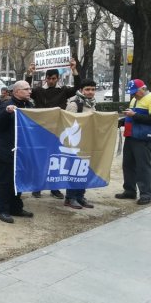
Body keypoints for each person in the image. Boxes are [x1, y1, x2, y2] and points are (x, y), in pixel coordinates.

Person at [26, 58, 81, 199]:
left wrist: (74, 70)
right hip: (41, 130)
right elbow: (27, 90)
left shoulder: (63, 91)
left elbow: (77, 87)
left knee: (56, 159)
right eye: (49, 78)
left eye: (54, 78)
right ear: (45, 78)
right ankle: (37, 186)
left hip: (58, 131)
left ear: (57, 78)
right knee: (41, 159)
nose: (51, 81)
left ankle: (54, 188)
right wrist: (30, 73)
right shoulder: (38, 91)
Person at [0, 80, 35, 224]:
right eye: (26, 89)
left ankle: (16, 208)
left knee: (18, 182)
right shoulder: (6, 105)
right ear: (17, 92)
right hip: (7, 151)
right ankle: (2, 210)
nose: (30, 91)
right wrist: (6, 113)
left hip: (22, 152)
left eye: (30, 89)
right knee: (4, 182)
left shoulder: (29, 105)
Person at [116, 79, 151, 206]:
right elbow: (133, 116)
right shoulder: (135, 99)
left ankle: (146, 194)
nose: (133, 94)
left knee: (143, 166)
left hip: (143, 138)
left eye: (135, 92)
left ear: (143, 88)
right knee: (128, 164)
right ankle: (129, 190)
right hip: (131, 136)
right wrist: (124, 120)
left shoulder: (150, 98)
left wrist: (134, 115)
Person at [64, 80, 98, 209]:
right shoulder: (74, 104)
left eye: (93, 89)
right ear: (82, 90)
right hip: (75, 144)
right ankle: (70, 197)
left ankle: (80, 196)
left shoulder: (92, 103)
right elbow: (69, 123)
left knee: (84, 170)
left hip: (87, 142)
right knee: (75, 170)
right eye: (88, 89)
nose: (90, 92)